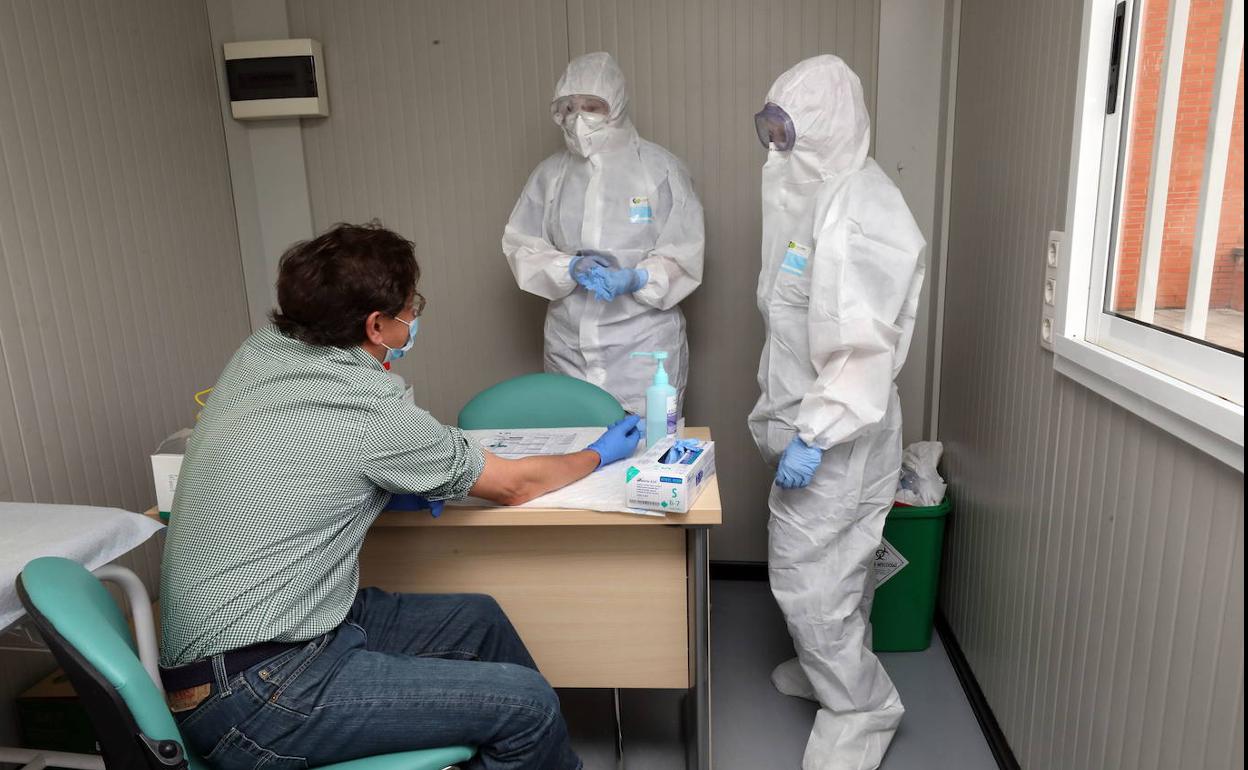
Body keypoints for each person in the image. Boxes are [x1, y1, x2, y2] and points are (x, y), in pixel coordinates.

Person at [160, 222, 642, 770]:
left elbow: (301, 459)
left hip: (259, 647)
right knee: (527, 707)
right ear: (376, 324)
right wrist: (601, 453)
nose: (414, 318)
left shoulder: (261, 354)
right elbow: (515, 485)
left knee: (478, 619)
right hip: (255, 695)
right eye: (411, 308)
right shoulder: (365, 403)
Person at [748, 56, 926, 769]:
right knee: (832, 571)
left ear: (828, 126)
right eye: (772, 128)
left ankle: (862, 706)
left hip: (838, 436)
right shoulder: (818, 200)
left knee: (809, 577)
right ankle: (831, 672)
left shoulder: (863, 212)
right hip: (811, 426)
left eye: (789, 130)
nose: (777, 145)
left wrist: (816, 433)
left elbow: (861, 346)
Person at [502, 51, 705, 415]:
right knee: (574, 453)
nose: (578, 118)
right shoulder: (550, 176)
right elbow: (521, 246)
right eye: (568, 107)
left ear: (616, 104)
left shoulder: (660, 169)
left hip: (644, 350)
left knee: (648, 457)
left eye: (592, 105)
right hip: (569, 347)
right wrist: (568, 269)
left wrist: (639, 277)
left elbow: (685, 251)